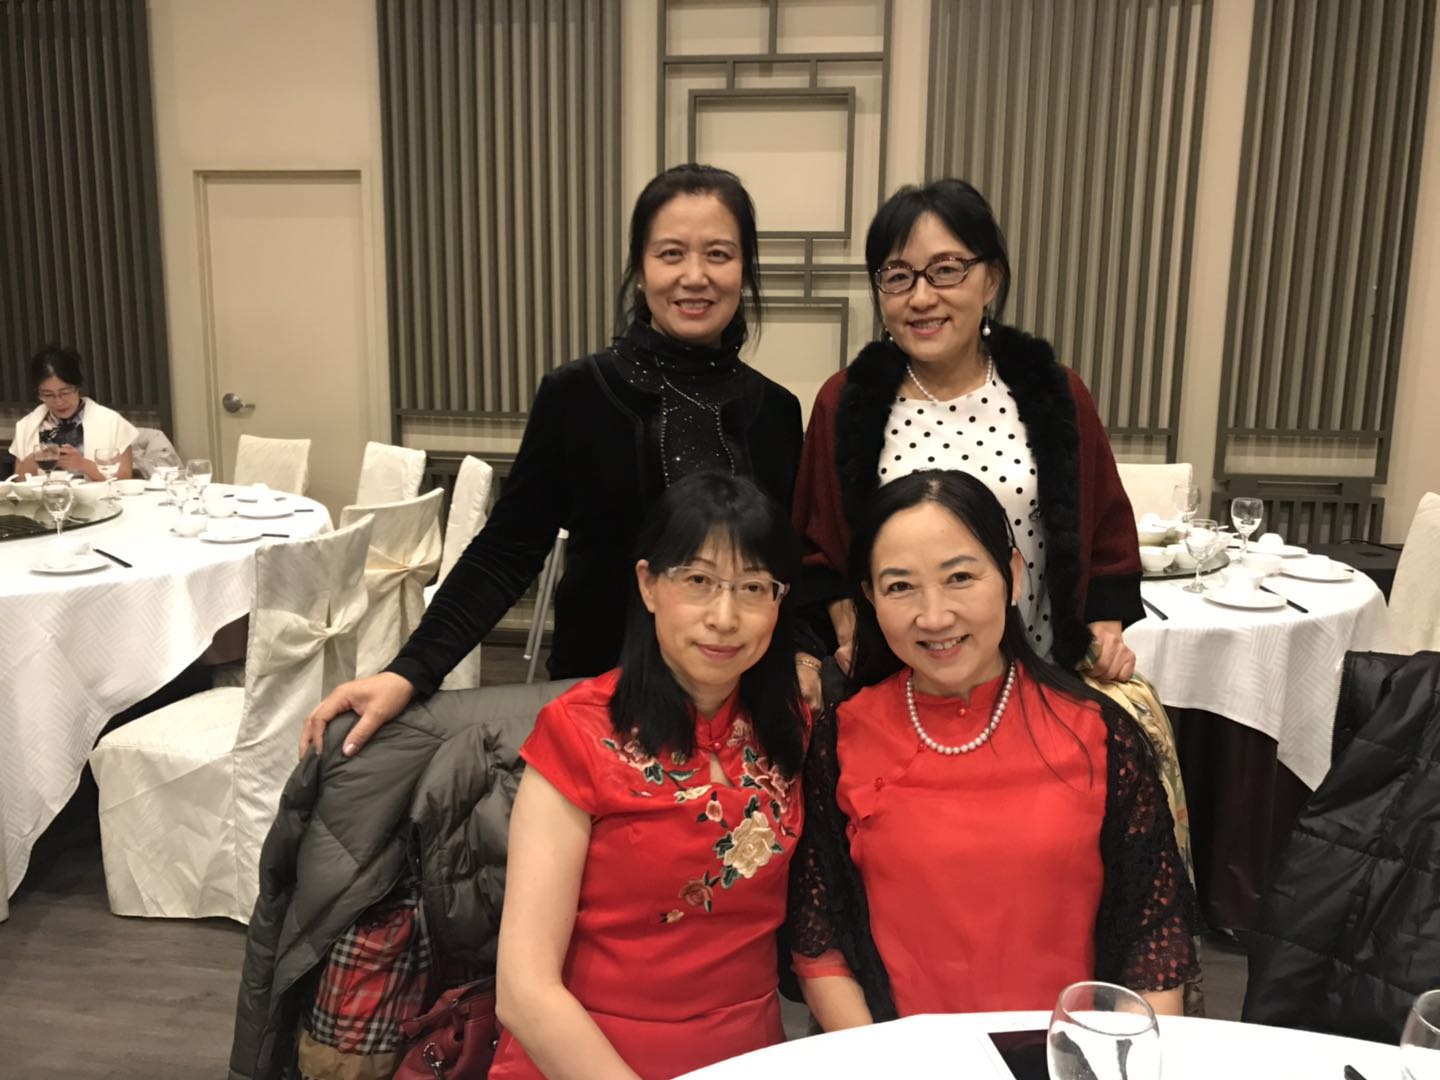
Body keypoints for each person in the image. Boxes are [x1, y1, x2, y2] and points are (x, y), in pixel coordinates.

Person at [301, 164, 807, 757]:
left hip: (739, 708)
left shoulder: (775, 410)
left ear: (744, 269)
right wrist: (409, 671)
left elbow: (785, 570)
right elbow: (506, 551)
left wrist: (805, 659)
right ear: (640, 268)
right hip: (601, 700)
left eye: (718, 254)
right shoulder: (578, 394)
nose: (694, 276)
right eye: (671, 253)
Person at [788, 470, 1198, 1028]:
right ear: (870, 598)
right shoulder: (841, 737)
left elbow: (1155, 941)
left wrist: (1114, 1058)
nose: (934, 616)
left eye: (960, 577)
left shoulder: (1100, 732)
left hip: (1068, 1054)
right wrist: (881, 1061)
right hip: (900, 1058)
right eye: (900, 586)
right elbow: (820, 936)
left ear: (1012, 575)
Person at [492, 471, 808, 1079]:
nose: (724, 617)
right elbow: (524, 992)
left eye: (752, 588)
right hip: (584, 1055)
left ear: (779, 601)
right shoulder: (578, 732)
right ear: (648, 585)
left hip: (748, 1052)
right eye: (698, 581)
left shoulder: (791, 727)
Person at [791, 179, 1141, 683]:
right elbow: (820, 542)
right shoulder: (846, 400)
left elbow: (1106, 530)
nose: (921, 297)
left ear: (990, 279)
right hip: (895, 679)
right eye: (898, 276)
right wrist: (848, 630)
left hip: (1038, 672)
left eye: (946, 270)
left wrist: (1104, 632)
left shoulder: (1053, 391)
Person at [10, 345, 137, 480]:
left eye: (64, 392)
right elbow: (18, 480)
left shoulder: (111, 421)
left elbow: (125, 477)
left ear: (78, 387)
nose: (58, 402)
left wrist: (83, 464)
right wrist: (33, 460)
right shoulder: (27, 425)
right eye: (48, 395)